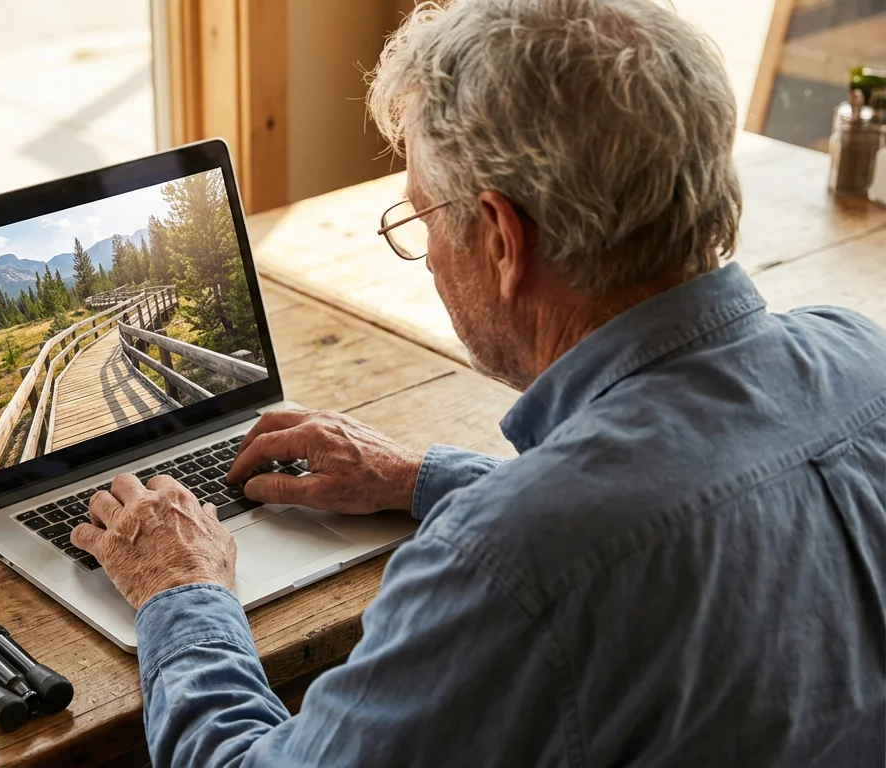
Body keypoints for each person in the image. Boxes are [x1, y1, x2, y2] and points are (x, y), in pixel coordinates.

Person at [69, 0, 886, 764]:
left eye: (422, 216)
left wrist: (180, 593)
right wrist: (416, 477)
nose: (425, 251)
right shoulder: (861, 358)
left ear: (500, 238)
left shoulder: (507, 565)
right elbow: (679, 496)